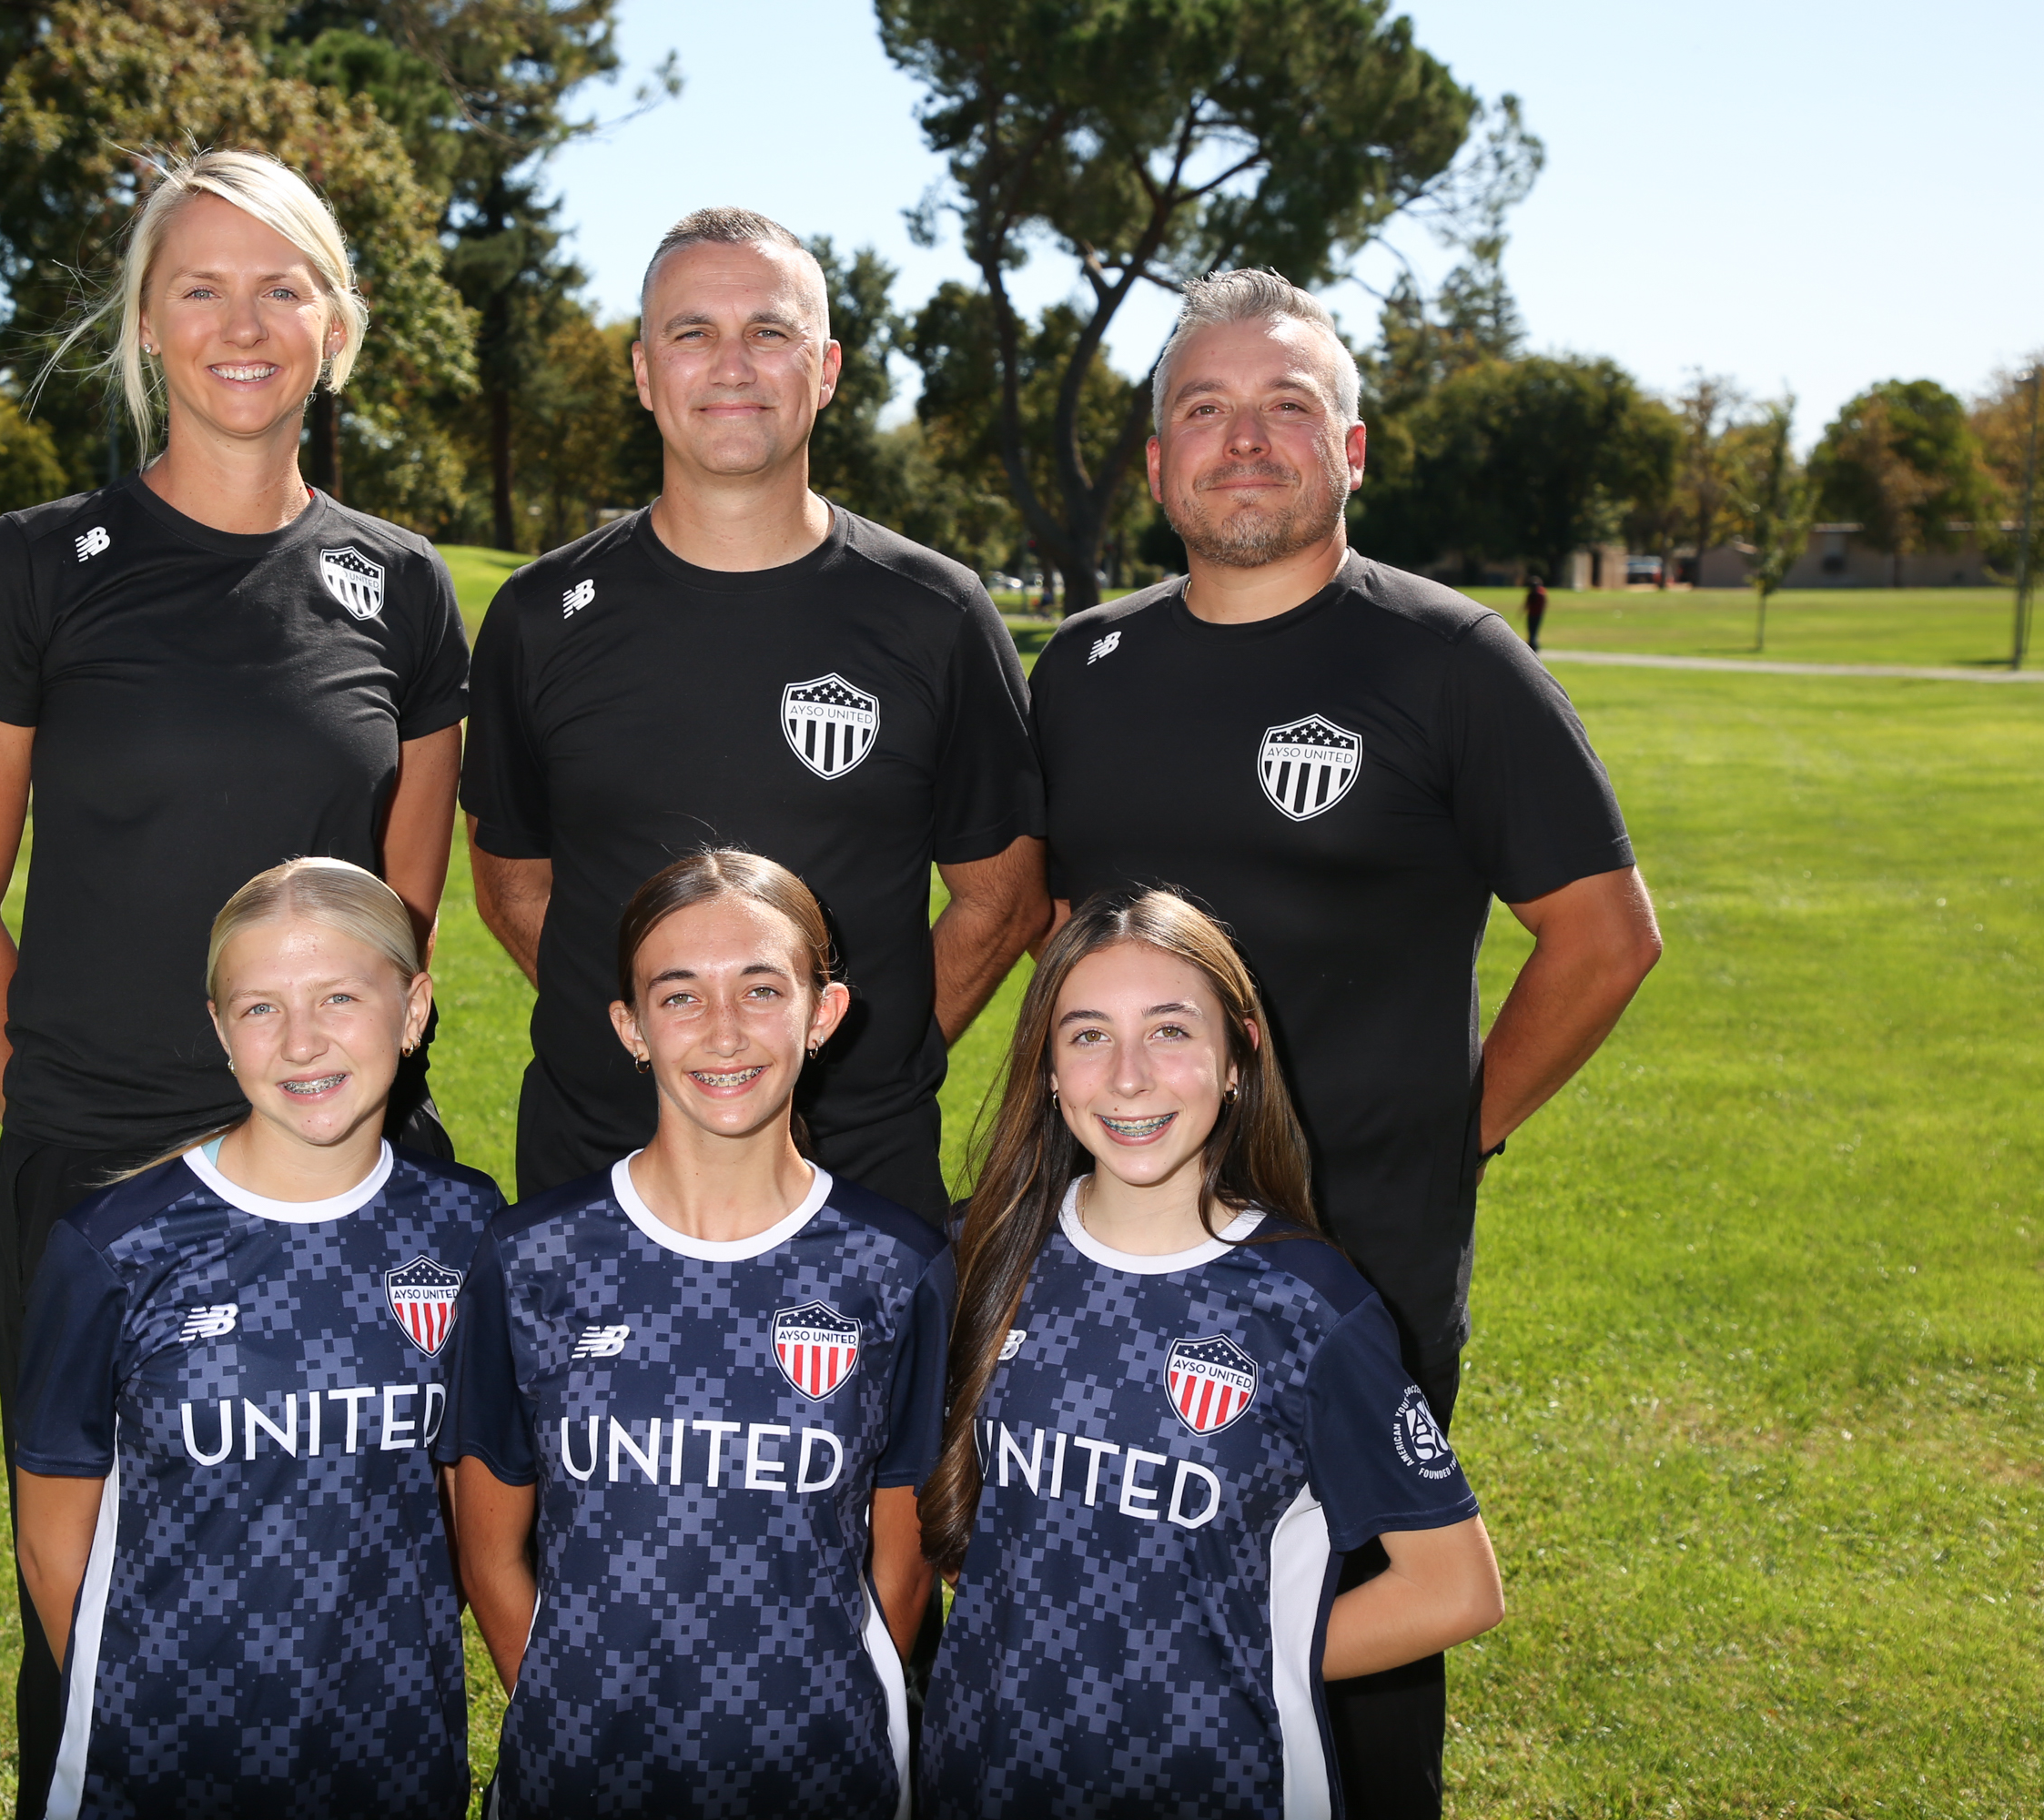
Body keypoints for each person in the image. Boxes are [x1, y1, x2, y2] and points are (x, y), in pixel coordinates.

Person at [1027, 268, 1660, 1816]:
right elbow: (1060, 935)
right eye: (1205, 410)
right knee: (1111, 1602)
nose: (1245, 440)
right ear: (1160, 461)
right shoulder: (1086, 669)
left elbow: (1603, 938)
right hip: (1119, 1245)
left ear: (1352, 450)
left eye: (1287, 407)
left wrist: (1454, 1133)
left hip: (1354, 1248)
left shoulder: (1450, 662)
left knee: (1349, 1638)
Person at [0, 148, 471, 1814]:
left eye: (282, 288)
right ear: (147, 325)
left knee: (356, 1594)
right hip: (103, 1168)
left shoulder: (403, 583)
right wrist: (71, 1126)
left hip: (346, 1185)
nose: (243, 324)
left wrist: (320, 1138)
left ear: (336, 325)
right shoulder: (36, 565)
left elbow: (403, 907)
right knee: (91, 1600)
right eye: (200, 289)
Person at [460, 206, 1047, 1224]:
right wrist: (663, 1048)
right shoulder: (538, 616)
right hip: (595, 1169)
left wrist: (851, 1060)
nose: (731, 365)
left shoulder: (937, 614)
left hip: (858, 1178)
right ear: (645, 373)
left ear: (825, 370)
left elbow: (1002, 900)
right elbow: (513, 885)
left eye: (769, 332)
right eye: (692, 333)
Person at [918, 886, 1502, 1818]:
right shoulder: (981, 1254)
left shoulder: (1306, 1304)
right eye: (1088, 1035)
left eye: (1170, 1031)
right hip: (983, 1768)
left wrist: (1218, 1657)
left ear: (1238, 1057)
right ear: (1048, 1069)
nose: (1129, 1077)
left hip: (1214, 1776)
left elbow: (1454, 1588)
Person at [436, 851, 955, 1818]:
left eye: (762, 989)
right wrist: (563, 1714)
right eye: (680, 996)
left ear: (823, 1013)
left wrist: (823, 1712)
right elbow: (490, 1548)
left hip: (816, 1779)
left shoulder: (896, 1266)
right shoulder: (531, 1256)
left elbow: (903, 1558)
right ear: (630, 1028)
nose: (724, 1030)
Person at [10, 858, 502, 1818]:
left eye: (339, 997)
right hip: (167, 1760)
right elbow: (49, 1541)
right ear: (219, 1029)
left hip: (395, 1746)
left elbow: (466, 1503)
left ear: (412, 1009)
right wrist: (150, 1724)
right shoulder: (117, 1244)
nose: (302, 1041)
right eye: (261, 1008)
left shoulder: (467, 1226)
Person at [1523, 576, 1549, 652]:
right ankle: (1534, 645)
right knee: (1535, 631)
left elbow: (1526, 604)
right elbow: (1544, 604)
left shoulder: (1531, 594)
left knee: (1531, 630)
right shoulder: (1541, 593)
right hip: (1538, 615)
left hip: (1531, 614)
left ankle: (1532, 644)